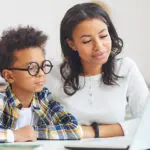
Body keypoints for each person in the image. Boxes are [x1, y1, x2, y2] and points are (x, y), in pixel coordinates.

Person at [47, 2, 149, 139]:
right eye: (87, 41)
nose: (99, 47)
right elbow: (39, 123)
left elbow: (147, 122)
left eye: (103, 36)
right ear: (72, 44)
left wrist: (92, 132)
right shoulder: (54, 73)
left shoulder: (126, 68)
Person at [0, 26, 82, 143]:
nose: (41, 74)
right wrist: (15, 135)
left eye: (43, 66)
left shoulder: (43, 99)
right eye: (32, 68)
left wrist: (34, 132)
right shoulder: (2, 100)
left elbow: (75, 130)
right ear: (9, 76)